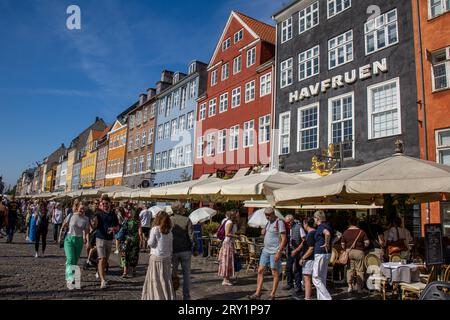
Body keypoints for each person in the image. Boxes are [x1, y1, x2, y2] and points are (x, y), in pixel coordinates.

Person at [249, 207, 287, 300]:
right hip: (265, 250)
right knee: (260, 270)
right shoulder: (268, 223)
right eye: (266, 215)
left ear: (273, 213)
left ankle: (272, 294)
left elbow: (284, 239)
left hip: (275, 251)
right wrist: (263, 232)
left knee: (274, 272)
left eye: (268, 215)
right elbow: (266, 234)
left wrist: (279, 252)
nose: (267, 217)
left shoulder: (279, 222)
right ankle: (258, 293)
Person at [142, 210, 175, 300]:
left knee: (155, 280)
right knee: (165, 279)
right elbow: (170, 247)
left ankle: (156, 297)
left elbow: (151, 243)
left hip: (156, 257)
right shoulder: (170, 231)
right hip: (167, 258)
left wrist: (147, 240)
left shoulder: (155, 229)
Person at [59, 199, 89, 290]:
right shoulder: (71, 215)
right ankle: (70, 279)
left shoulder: (86, 219)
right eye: (81, 208)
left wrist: (87, 241)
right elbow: (63, 226)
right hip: (69, 239)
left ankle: (73, 278)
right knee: (70, 258)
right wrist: (60, 237)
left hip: (79, 240)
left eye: (84, 209)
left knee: (75, 262)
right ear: (77, 208)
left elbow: (87, 232)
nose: (82, 210)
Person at [91, 195, 119, 289]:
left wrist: (114, 229)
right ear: (100, 205)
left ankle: (98, 270)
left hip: (109, 239)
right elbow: (94, 222)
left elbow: (117, 226)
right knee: (102, 258)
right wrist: (93, 223)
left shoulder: (113, 214)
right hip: (100, 238)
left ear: (109, 204)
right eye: (103, 204)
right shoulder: (98, 213)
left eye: (106, 203)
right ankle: (103, 280)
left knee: (105, 261)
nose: (105, 205)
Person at [171, 201, 197, 300]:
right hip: (185, 250)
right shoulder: (187, 220)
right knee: (186, 275)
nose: (183, 209)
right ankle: (186, 297)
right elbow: (192, 236)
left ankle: (172, 296)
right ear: (178, 209)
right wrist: (194, 248)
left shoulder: (170, 220)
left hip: (173, 251)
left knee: (173, 275)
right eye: (182, 207)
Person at [341, 216, 370, 293]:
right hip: (359, 252)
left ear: (349, 223)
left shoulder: (345, 232)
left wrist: (346, 248)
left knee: (350, 269)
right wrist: (362, 246)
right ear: (357, 223)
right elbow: (367, 243)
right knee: (360, 270)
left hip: (349, 252)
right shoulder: (361, 231)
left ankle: (350, 286)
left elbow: (343, 245)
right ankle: (359, 288)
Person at [312, 210, 335, 300]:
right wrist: (330, 243)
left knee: (316, 278)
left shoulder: (321, 226)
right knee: (322, 278)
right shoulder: (329, 225)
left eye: (314, 218)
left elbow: (327, 233)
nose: (314, 220)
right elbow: (338, 235)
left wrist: (327, 242)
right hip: (326, 253)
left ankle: (327, 298)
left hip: (320, 253)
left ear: (317, 218)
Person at [284, 214, 306, 296]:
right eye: (286, 223)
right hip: (289, 251)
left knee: (297, 269)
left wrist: (297, 250)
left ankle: (298, 287)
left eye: (289, 222)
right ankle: (290, 284)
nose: (288, 224)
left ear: (292, 220)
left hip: (298, 251)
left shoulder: (299, 227)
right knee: (288, 268)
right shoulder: (287, 228)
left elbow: (304, 240)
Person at [119, 208, 143, 278]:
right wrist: (141, 241)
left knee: (124, 255)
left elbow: (122, 231)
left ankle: (125, 272)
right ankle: (133, 271)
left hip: (126, 241)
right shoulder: (138, 222)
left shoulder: (126, 221)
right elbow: (140, 233)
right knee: (134, 255)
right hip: (135, 240)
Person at [218, 209, 239, 287]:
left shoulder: (231, 222)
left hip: (229, 243)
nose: (238, 216)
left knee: (228, 261)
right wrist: (237, 236)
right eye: (237, 214)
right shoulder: (229, 222)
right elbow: (227, 234)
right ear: (234, 215)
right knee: (227, 261)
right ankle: (225, 279)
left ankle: (227, 278)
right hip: (227, 243)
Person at [299, 217, 316, 300]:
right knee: (309, 279)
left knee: (307, 278)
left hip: (309, 259)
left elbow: (311, 248)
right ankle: (308, 295)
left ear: (306, 224)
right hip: (311, 259)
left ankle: (307, 297)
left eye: (303, 223)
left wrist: (303, 258)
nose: (303, 225)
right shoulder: (313, 232)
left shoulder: (311, 234)